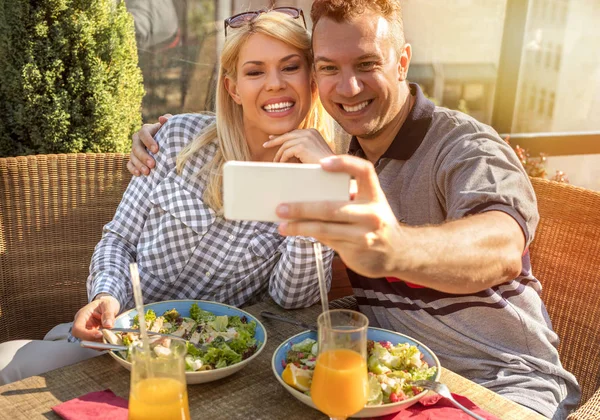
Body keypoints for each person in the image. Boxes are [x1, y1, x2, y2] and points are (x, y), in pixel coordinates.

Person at [129, 1, 581, 418]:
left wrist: (393, 247)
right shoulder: (336, 154)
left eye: (367, 64)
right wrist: (163, 132)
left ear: (402, 62)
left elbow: (499, 245)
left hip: (502, 386)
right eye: (329, 68)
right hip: (387, 379)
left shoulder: (464, 145)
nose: (348, 87)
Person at [0, 9, 335, 386]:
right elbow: (120, 240)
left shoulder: (320, 177)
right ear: (233, 88)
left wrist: (316, 185)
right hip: (121, 343)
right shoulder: (177, 140)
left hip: (211, 365)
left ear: (312, 80)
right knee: (6, 364)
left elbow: (293, 297)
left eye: (290, 67)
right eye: (255, 71)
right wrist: (106, 295)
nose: (274, 83)